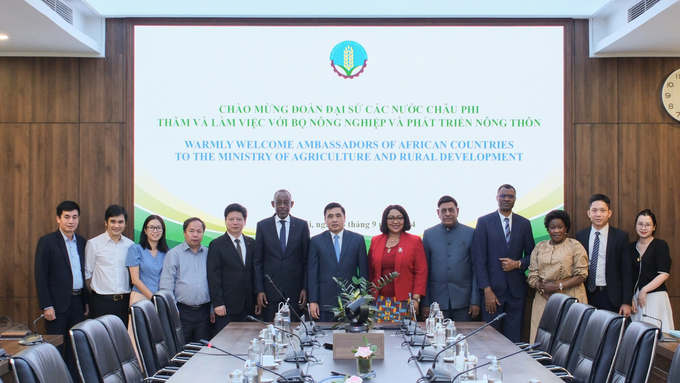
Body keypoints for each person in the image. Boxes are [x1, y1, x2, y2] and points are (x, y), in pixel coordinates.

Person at [473, 184, 535, 342]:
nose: (506, 199)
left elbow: (532, 255)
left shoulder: (524, 223)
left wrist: (517, 264)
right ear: (497, 198)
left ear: (515, 199)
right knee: (490, 339)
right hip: (492, 293)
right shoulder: (484, 222)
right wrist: (486, 290)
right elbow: (479, 259)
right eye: (503, 196)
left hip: (516, 292)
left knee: (513, 339)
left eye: (510, 196)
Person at [34, 201, 89, 380]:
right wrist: (46, 305)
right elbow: (40, 275)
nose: (70, 221)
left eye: (74, 217)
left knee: (75, 348)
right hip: (56, 306)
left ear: (79, 219)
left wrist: (85, 301)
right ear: (58, 219)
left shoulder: (82, 242)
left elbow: (83, 271)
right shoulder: (47, 241)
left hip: (77, 302)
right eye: (66, 217)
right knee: (56, 348)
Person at [527, 210, 588, 342]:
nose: (556, 231)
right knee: (541, 339)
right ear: (548, 229)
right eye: (552, 227)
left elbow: (582, 274)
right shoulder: (539, 247)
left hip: (571, 297)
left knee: (568, 339)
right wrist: (543, 289)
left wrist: (557, 286)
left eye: (560, 227)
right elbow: (532, 275)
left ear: (566, 228)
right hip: (543, 300)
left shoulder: (575, 246)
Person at [254, 189, 311, 321]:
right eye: (278, 203)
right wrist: (259, 290)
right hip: (270, 291)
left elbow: (306, 261)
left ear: (292, 204)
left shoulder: (302, 226)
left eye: (286, 203)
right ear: (272, 204)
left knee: (294, 332)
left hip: (295, 291)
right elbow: (258, 261)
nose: (282, 206)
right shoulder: (262, 226)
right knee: (272, 331)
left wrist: (305, 288)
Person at [422, 196, 479, 321]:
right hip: (436, 302)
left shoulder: (470, 233)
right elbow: (424, 270)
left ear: (457, 211)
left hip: (464, 301)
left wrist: (475, 300)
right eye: (443, 211)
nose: (447, 214)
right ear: (438, 213)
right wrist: (425, 303)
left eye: (451, 210)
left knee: (465, 338)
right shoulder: (429, 235)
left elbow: (476, 269)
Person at [308, 202, 369, 322]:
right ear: (325, 220)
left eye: (338, 216)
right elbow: (312, 273)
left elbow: (363, 273)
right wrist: (313, 301)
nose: (334, 220)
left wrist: (363, 300)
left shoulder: (358, 240)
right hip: (324, 303)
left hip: (351, 302)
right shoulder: (316, 241)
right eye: (330, 216)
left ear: (344, 218)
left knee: (349, 339)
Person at [368, 205, 427, 322]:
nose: (395, 221)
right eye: (391, 218)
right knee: (380, 337)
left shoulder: (414, 241)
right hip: (378, 301)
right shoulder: (375, 240)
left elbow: (421, 271)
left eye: (399, 218)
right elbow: (370, 270)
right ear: (385, 221)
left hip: (404, 301)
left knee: (403, 337)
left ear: (405, 220)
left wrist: (415, 298)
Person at [576, 194, 632, 316]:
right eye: (594, 210)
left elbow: (627, 271)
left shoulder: (620, 237)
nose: (598, 214)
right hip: (587, 294)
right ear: (588, 213)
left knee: (611, 333)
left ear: (609, 213)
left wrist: (626, 301)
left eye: (602, 210)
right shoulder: (581, 236)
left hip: (611, 296)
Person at [159, 217, 214, 343]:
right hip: (182, 311)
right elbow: (166, 286)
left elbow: (214, 283)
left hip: (204, 312)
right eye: (191, 231)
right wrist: (174, 311)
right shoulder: (174, 254)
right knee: (181, 349)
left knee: (202, 351)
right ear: (184, 233)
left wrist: (212, 308)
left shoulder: (209, 253)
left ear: (203, 233)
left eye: (199, 231)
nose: (195, 235)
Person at [207, 204, 257, 332]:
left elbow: (255, 273)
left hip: (248, 306)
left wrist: (256, 300)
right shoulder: (216, 244)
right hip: (226, 307)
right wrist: (218, 303)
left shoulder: (252, 243)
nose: (235, 223)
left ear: (245, 221)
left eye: (239, 219)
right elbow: (213, 276)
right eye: (231, 219)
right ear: (225, 221)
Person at [85, 204, 134, 326]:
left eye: (120, 222)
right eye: (113, 221)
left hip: (124, 302)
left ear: (125, 224)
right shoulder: (94, 244)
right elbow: (87, 274)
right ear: (106, 222)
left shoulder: (131, 245)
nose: (116, 225)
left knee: (122, 340)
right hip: (101, 302)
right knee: (101, 340)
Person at [630, 209, 674, 332]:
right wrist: (630, 297)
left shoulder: (660, 245)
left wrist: (645, 290)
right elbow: (627, 275)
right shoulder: (630, 247)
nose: (643, 228)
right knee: (638, 336)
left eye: (648, 224)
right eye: (640, 224)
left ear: (654, 227)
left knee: (656, 335)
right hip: (635, 299)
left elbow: (664, 274)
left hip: (655, 297)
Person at [126, 214, 170, 303]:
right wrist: (153, 298)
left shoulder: (168, 252)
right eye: (151, 227)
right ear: (145, 230)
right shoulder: (135, 249)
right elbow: (135, 280)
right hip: (140, 297)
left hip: (162, 298)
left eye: (158, 228)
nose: (155, 231)